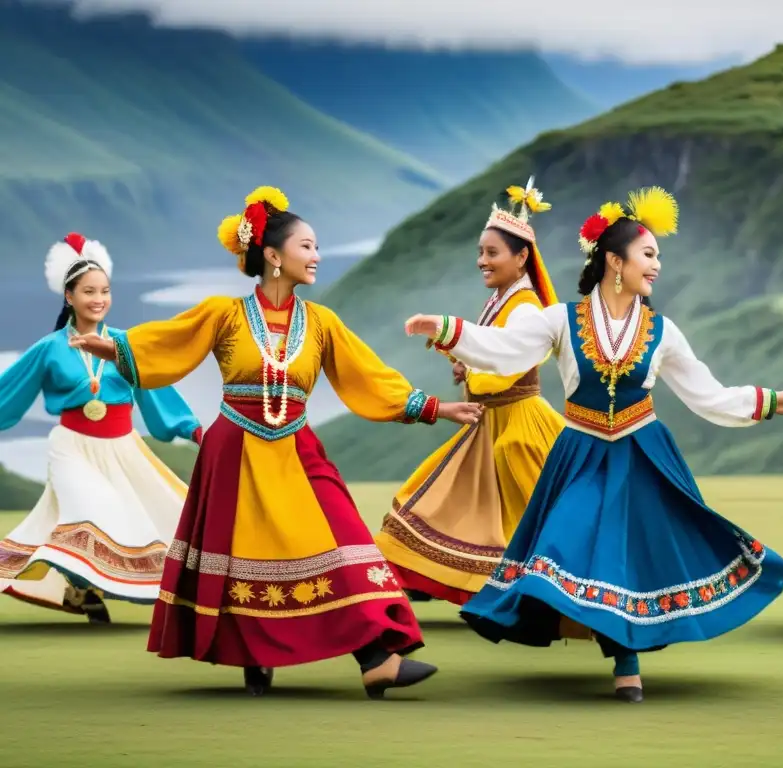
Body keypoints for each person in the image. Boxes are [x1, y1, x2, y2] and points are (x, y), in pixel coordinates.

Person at [70, 186, 482, 697]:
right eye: (307, 246)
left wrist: (436, 408)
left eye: (316, 247)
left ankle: (377, 656)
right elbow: (169, 344)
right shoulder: (225, 314)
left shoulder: (322, 323)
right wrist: (111, 349)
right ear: (272, 255)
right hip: (235, 446)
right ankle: (257, 659)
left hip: (296, 447)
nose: (316, 256)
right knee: (242, 554)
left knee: (346, 539)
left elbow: (367, 377)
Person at [405, 187, 783, 702]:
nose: (657, 265)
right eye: (649, 254)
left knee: (630, 558)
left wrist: (773, 400)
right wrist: (445, 329)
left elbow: (708, 396)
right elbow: (504, 352)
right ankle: (588, 638)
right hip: (581, 452)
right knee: (561, 544)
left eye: (657, 256)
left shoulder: (661, 331)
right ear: (615, 262)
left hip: (642, 454)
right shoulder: (559, 321)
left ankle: (627, 665)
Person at [377, 178, 564, 605]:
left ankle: (526, 588)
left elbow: (506, 363)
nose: (482, 260)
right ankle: (431, 574)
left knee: (519, 510)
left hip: (517, 419)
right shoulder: (505, 299)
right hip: (491, 419)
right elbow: (490, 350)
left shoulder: (527, 306)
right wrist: (463, 358)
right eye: (480, 252)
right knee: (442, 497)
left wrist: (457, 347)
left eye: (492, 253)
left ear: (521, 258)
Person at [0, 233, 201, 623]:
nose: (98, 299)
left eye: (104, 291)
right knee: (93, 508)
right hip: (71, 446)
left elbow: (155, 392)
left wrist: (190, 428)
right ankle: (82, 586)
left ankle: (80, 590)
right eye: (88, 291)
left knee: (169, 514)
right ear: (69, 297)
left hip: (122, 446)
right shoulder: (50, 348)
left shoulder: (125, 344)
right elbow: (10, 392)